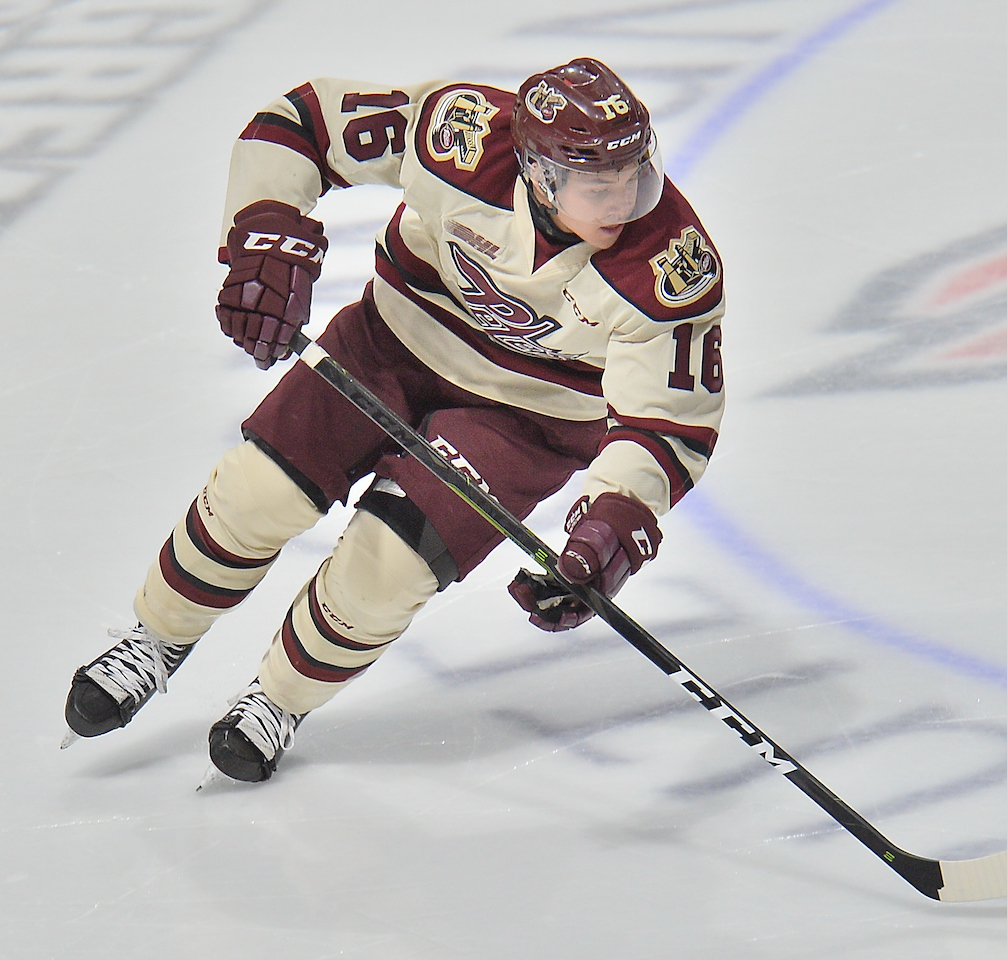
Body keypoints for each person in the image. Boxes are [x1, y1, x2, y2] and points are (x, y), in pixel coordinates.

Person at [62, 58, 725, 782]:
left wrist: (613, 522)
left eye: (632, 173)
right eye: (599, 183)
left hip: (529, 420)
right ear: (538, 172)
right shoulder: (461, 137)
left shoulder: (670, 268)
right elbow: (304, 124)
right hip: (389, 344)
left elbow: (668, 424)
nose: (624, 199)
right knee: (256, 493)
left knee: (383, 572)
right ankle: (154, 641)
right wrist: (265, 228)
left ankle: (279, 701)